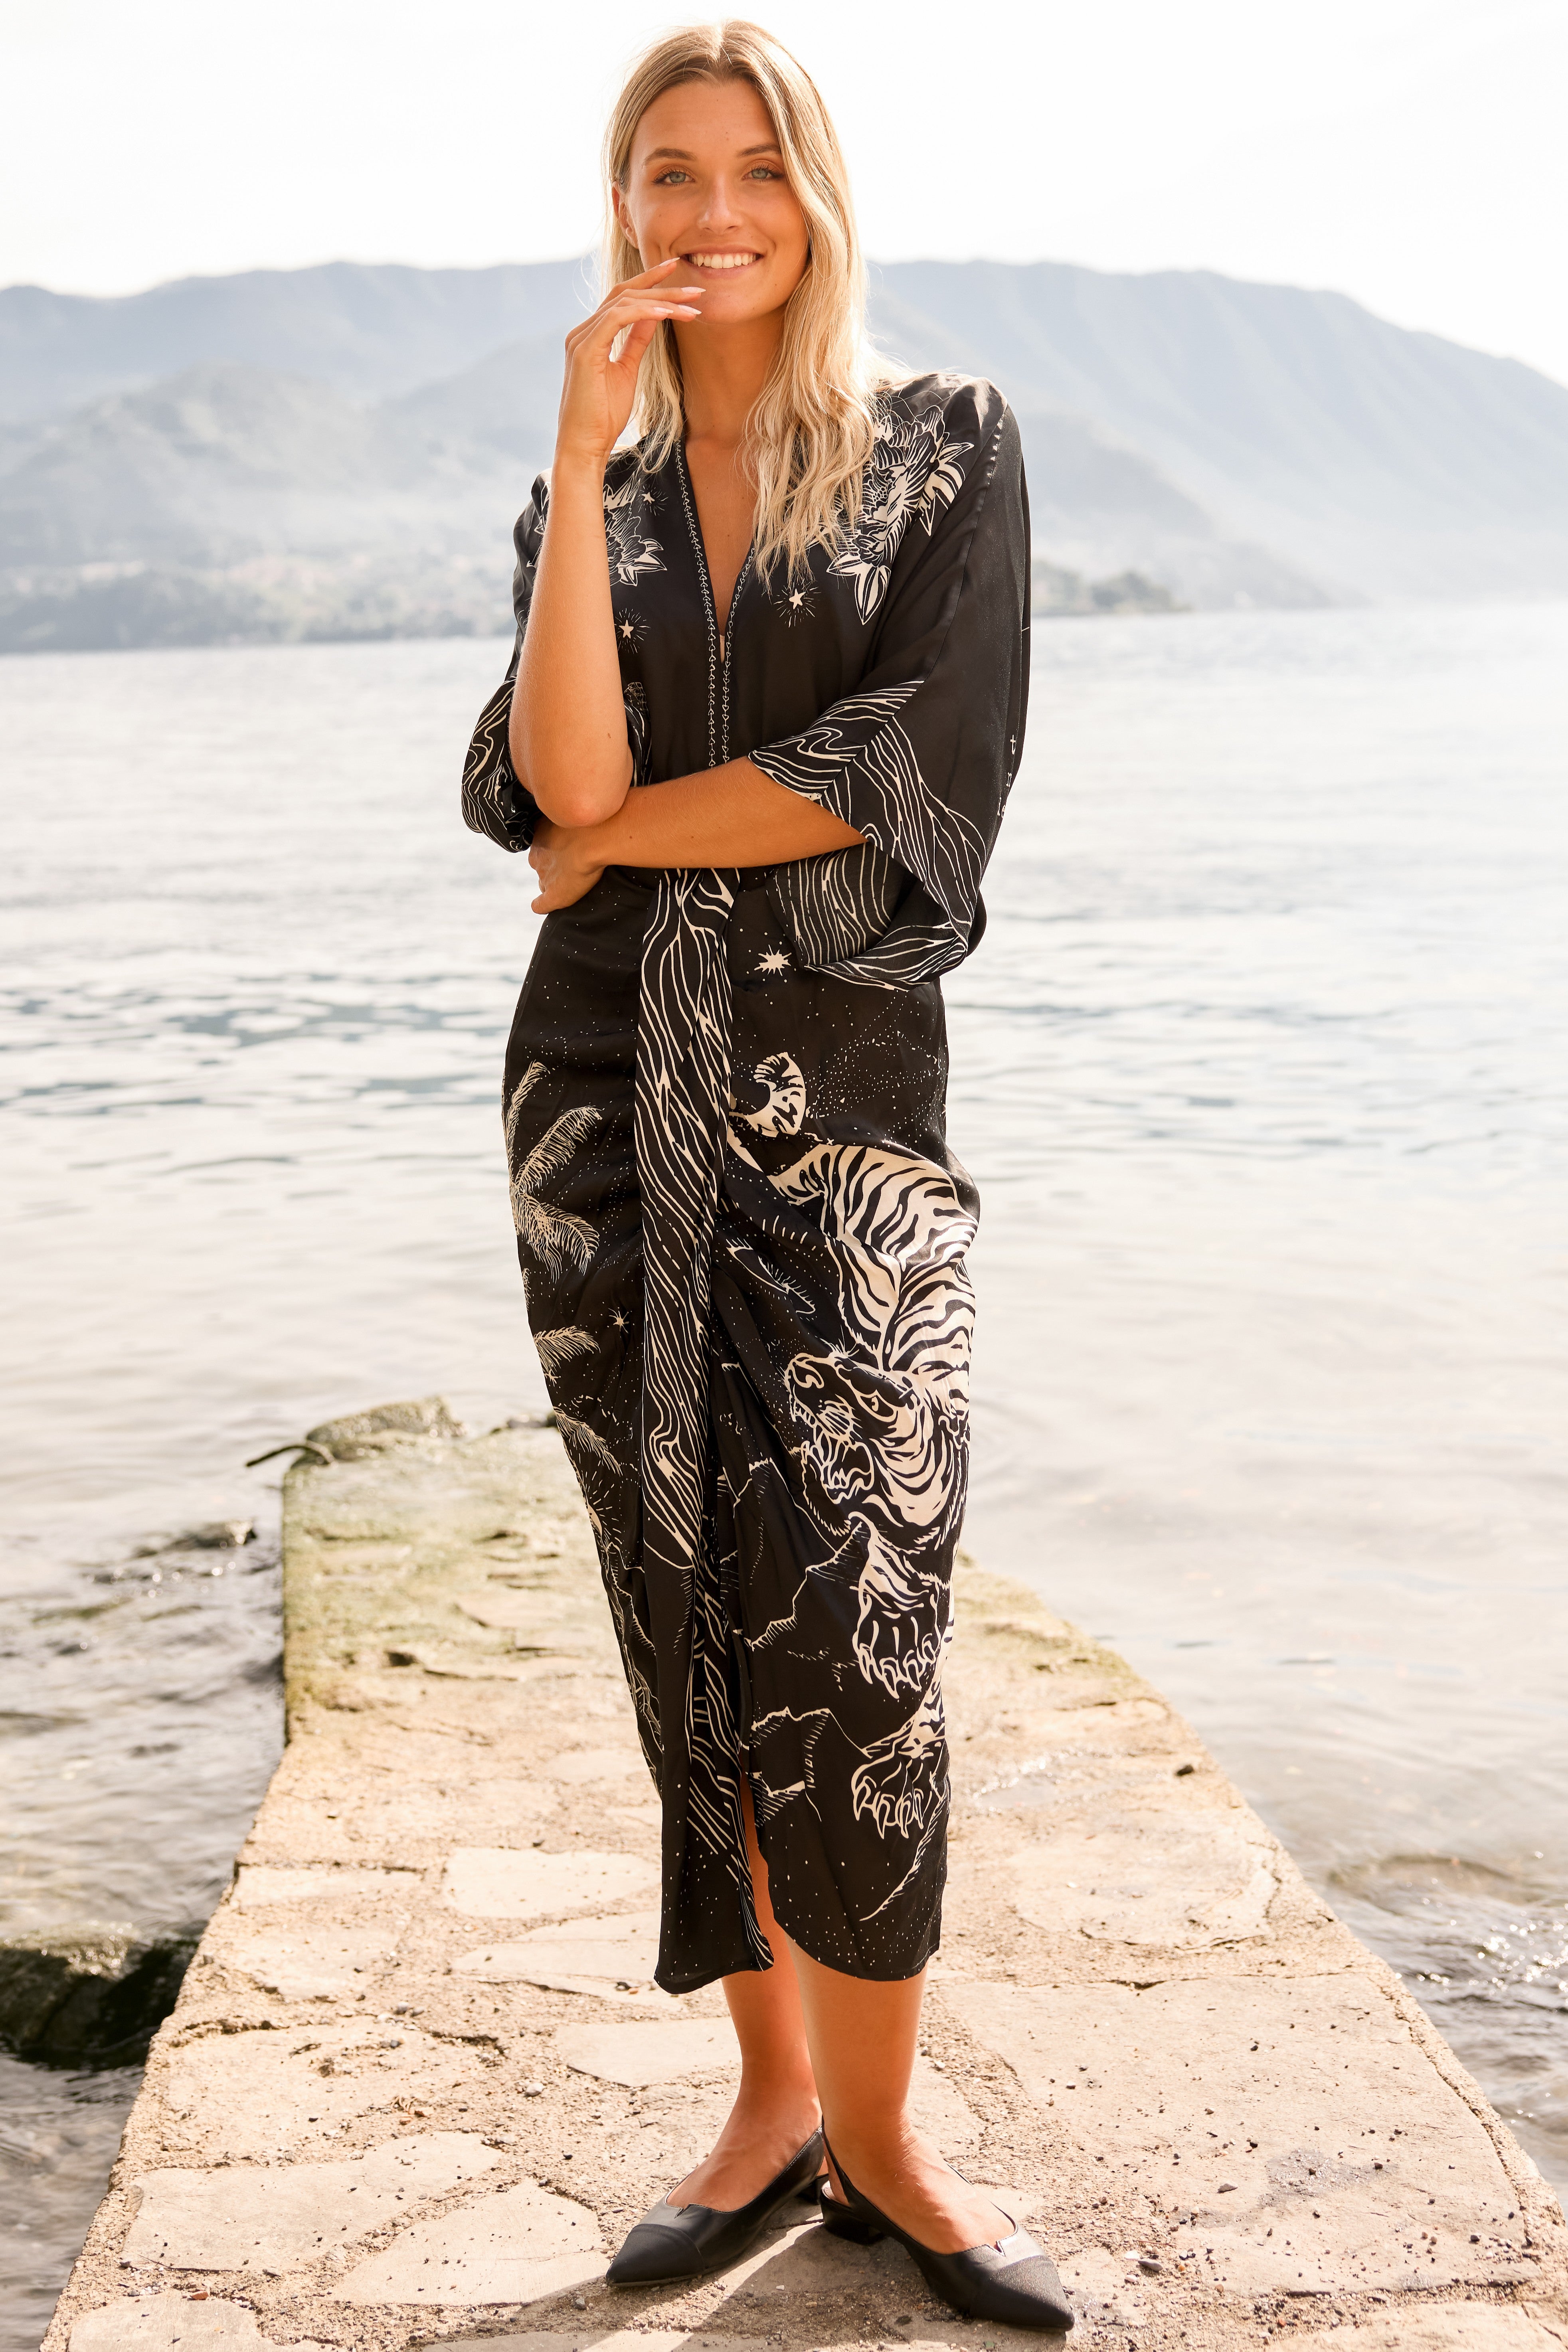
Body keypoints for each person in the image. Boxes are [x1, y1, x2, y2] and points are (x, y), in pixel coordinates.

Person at [462, 18, 1067, 2330]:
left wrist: (614, 836)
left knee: (863, 1619)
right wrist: (572, 449)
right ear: (621, 205)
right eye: (666, 173)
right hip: (602, 1113)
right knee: (684, 1603)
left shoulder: (946, 446)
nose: (710, 214)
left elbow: (900, 770)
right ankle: (771, 2097)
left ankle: (893, 2143)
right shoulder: (590, 499)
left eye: (752, 169)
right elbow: (551, 776)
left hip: (848, 1129)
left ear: (815, 195)